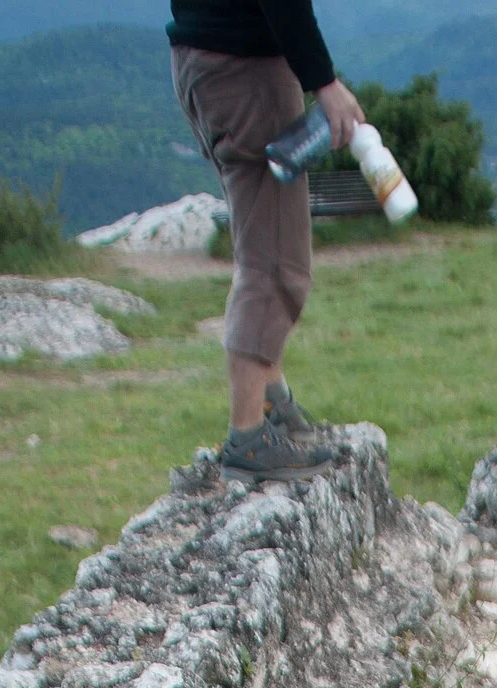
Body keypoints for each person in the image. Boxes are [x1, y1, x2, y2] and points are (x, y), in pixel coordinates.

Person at [167, 0, 365, 479]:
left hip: (200, 60)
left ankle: (271, 401)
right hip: (246, 74)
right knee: (275, 266)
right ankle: (249, 438)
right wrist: (324, 82)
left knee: (259, 240)